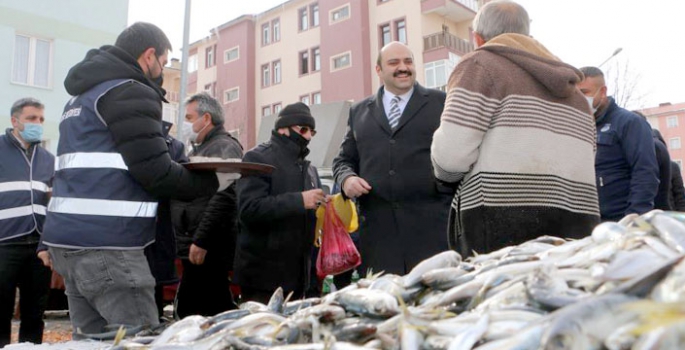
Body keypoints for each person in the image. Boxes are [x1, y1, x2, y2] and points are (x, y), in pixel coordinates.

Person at [38, 22, 235, 335]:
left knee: (93, 340)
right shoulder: (131, 91)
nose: (162, 70)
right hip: (109, 246)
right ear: (149, 56)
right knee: (137, 337)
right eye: (165, 62)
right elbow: (156, 174)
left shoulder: (82, 98)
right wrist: (216, 181)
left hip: (68, 243)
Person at [430, 0, 600, 256]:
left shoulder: (479, 66)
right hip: (576, 230)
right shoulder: (575, 92)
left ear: (477, 38)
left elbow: (450, 158)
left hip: (501, 228)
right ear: (528, 36)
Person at [332, 41, 452, 275]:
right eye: (394, 62)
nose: (403, 68)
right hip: (379, 238)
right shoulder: (359, 112)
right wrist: (347, 180)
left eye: (408, 61)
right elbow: (343, 160)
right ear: (379, 70)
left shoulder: (441, 103)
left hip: (431, 234)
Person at [234, 102, 324, 304]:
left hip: (300, 277)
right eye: (303, 129)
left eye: (312, 131)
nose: (308, 136)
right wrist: (300, 200)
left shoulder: (309, 168)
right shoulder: (257, 158)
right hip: (263, 278)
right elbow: (249, 210)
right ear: (283, 128)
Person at [171, 92, 243, 318]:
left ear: (207, 119)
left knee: (203, 311)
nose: (186, 124)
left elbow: (226, 195)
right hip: (195, 243)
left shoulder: (224, 147)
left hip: (209, 248)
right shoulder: (200, 148)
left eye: (190, 118)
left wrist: (202, 239)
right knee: (198, 311)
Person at [0, 98, 54, 347]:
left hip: (39, 247)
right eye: (32, 118)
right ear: (15, 121)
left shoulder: (47, 158)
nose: (38, 124)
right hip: (4, 244)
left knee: (35, 313)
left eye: (41, 119)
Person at [578, 66, 659, 221]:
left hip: (620, 219)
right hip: (589, 221)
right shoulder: (580, 126)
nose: (580, 99)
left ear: (602, 92)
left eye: (584, 93)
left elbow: (645, 171)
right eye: (576, 94)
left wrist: (635, 215)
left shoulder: (629, 123)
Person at [144, 121, 187, 321]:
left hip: (160, 231)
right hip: (126, 234)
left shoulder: (174, 146)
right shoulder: (120, 137)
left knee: (153, 291)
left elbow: (183, 182)